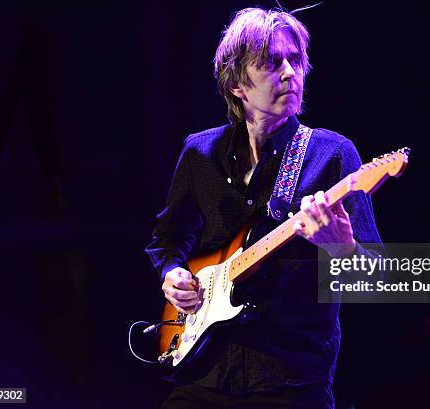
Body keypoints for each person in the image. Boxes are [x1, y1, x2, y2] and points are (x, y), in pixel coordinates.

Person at [145, 7, 381, 408]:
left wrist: (342, 249)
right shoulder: (199, 152)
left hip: (289, 383)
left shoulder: (332, 155)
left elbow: (375, 278)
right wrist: (172, 274)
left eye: (296, 60)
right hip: (203, 372)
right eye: (272, 63)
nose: (290, 72)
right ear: (237, 83)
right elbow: (168, 239)